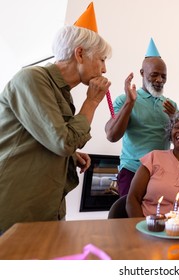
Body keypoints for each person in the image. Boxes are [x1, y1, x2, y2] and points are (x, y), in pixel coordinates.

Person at [0, 25, 112, 233]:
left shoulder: (62, 92)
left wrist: (71, 156)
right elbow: (63, 142)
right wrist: (92, 102)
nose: (104, 69)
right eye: (102, 59)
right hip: (16, 209)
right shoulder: (31, 79)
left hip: (47, 207)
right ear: (79, 53)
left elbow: (47, 139)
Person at [105, 38, 177, 197]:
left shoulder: (171, 105)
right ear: (142, 73)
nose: (159, 80)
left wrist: (175, 118)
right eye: (154, 75)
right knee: (129, 220)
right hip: (132, 172)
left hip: (161, 174)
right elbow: (112, 135)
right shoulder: (124, 100)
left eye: (163, 76)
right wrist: (130, 103)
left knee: (159, 220)